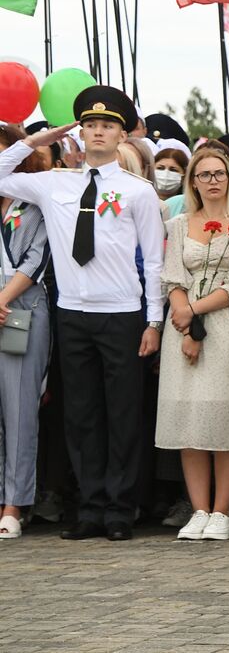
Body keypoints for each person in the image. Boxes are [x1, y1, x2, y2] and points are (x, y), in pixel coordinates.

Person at [0, 89, 164, 541]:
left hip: (122, 314)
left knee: (123, 414)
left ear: (120, 134)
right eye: (90, 125)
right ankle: (89, 507)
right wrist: (36, 141)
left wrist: (154, 322)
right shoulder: (53, 181)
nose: (98, 132)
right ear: (79, 130)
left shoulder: (138, 192)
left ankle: (120, 509)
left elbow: (153, 262)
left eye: (108, 125)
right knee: (82, 414)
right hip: (71, 314)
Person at [156, 144, 229, 541]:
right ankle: (199, 508)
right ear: (193, 182)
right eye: (204, 175)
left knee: (224, 420)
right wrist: (182, 313)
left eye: (219, 173)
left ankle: (223, 511)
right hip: (182, 327)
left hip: (225, 326)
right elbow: (171, 276)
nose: (213, 181)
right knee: (190, 420)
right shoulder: (180, 224)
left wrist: (194, 311)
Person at [0, 124, 50, 541]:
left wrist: (2, 298)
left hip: (23, 310)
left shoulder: (33, 202)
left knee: (19, 410)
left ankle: (14, 503)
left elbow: (37, 258)